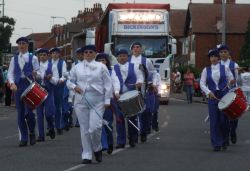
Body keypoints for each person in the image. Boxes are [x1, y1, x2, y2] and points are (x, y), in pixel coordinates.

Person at [67, 45, 112, 164]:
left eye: (90, 52)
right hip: (81, 101)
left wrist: (107, 100)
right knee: (85, 129)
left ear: (95, 54)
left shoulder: (101, 67)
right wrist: (73, 86)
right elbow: (69, 80)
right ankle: (86, 154)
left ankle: (97, 148)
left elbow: (108, 84)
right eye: (85, 52)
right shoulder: (76, 67)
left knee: (95, 127)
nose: (87, 54)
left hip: (98, 100)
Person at [200, 48, 235, 151]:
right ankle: (216, 143)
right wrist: (208, 92)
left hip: (223, 96)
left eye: (215, 56)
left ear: (218, 57)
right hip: (212, 97)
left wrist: (231, 82)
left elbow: (231, 79)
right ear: (209, 59)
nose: (213, 58)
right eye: (211, 57)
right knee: (214, 121)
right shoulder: (206, 70)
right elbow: (202, 83)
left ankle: (224, 140)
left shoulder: (225, 68)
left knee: (223, 120)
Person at [7, 37, 39, 147]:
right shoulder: (14, 59)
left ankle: (31, 132)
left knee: (29, 113)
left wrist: (35, 75)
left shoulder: (33, 58)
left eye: (23, 43)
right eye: (19, 43)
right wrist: (12, 83)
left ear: (27, 45)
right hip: (18, 86)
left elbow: (37, 72)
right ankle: (24, 138)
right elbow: (10, 73)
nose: (21, 45)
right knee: (20, 114)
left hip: (29, 85)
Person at [114, 49, 144, 147]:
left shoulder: (134, 66)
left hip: (131, 95)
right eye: (120, 56)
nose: (122, 57)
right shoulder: (113, 68)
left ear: (128, 57)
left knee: (132, 119)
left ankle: (133, 138)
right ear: (117, 57)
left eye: (124, 56)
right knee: (119, 120)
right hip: (118, 96)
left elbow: (140, 76)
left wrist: (139, 82)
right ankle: (121, 141)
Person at [128, 42, 157, 143]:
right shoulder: (127, 61)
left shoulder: (146, 61)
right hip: (131, 90)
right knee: (133, 113)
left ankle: (144, 131)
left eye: (138, 47)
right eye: (134, 47)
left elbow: (154, 73)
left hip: (144, 89)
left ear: (141, 49)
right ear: (131, 49)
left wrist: (154, 83)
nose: (136, 49)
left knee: (145, 112)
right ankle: (133, 136)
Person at [96, 53, 120, 154]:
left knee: (107, 124)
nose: (101, 62)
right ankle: (102, 145)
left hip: (108, 102)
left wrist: (117, 92)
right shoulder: (93, 72)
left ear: (107, 62)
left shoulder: (111, 72)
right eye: (99, 61)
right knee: (97, 124)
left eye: (103, 60)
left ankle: (109, 143)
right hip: (96, 101)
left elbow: (115, 82)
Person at [218, 44, 239, 144]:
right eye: (221, 52)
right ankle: (225, 137)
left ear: (228, 53)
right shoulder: (217, 65)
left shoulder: (234, 65)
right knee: (223, 117)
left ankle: (233, 131)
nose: (223, 54)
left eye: (225, 52)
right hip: (221, 93)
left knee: (234, 116)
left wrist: (233, 83)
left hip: (232, 92)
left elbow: (238, 79)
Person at [36, 48, 58, 142]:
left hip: (48, 91)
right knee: (39, 114)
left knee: (49, 113)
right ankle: (41, 135)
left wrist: (51, 78)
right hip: (38, 91)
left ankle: (51, 127)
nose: (42, 56)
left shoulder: (52, 66)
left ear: (48, 56)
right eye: (40, 55)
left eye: (44, 55)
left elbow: (56, 81)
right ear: (38, 56)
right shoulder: (35, 66)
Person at [50, 47, 67, 135]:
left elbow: (64, 74)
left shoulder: (62, 62)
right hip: (49, 86)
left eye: (56, 53)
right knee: (49, 108)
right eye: (53, 53)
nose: (55, 55)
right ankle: (50, 127)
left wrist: (61, 79)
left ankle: (58, 126)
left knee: (57, 107)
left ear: (59, 54)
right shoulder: (48, 63)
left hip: (58, 86)